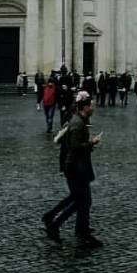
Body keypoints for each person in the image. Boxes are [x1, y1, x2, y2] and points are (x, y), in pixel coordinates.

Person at [41, 93, 103, 249]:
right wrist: (91, 143)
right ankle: (55, 224)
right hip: (75, 169)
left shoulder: (80, 121)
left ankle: (79, 231)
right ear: (85, 107)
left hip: (79, 167)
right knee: (80, 201)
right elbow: (75, 148)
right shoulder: (77, 124)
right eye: (92, 106)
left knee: (82, 201)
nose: (94, 108)